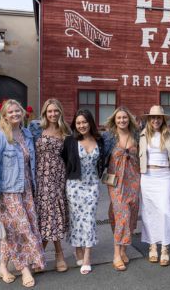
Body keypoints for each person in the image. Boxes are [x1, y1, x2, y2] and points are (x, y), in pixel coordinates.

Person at [0, 99, 45, 288]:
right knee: (23, 229)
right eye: (10, 112)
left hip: (27, 189)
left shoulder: (27, 133)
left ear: (22, 113)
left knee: (12, 230)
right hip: (8, 191)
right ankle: (24, 268)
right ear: (4, 115)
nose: (15, 114)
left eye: (17, 111)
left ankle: (3, 266)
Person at [29, 98, 70, 272]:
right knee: (45, 214)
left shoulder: (65, 131)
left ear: (60, 112)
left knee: (52, 213)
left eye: (56, 111)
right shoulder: (35, 128)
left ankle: (46, 255)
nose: (53, 114)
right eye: (50, 111)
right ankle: (57, 253)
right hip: (39, 176)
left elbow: (69, 157)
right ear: (45, 113)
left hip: (57, 177)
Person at [139, 105, 170, 266]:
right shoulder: (142, 135)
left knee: (165, 211)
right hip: (147, 177)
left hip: (164, 176)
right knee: (149, 212)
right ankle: (152, 246)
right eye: (153, 117)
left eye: (158, 117)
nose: (156, 120)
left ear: (163, 119)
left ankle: (165, 248)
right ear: (149, 120)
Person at [62, 109, 104, 275]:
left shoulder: (99, 140)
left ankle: (87, 256)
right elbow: (65, 160)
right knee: (76, 219)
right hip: (74, 185)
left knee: (89, 218)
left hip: (92, 185)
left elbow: (103, 160)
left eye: (84, 122)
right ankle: (77, 249)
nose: (81, 125)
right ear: (75, 125)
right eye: (78, 123)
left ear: (90, 123)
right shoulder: (70, 141)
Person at [103, 106, 140, 271]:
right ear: (114, 120)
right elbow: (100, 156)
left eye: (124, 118)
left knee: (129, 214)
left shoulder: (137, 136)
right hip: (115, 182)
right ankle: (116, 254)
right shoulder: (109, 137)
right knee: (122, 213)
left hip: (133, 180)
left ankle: (124, 249)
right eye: (119, 118)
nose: (122, 120)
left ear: (129, 119)